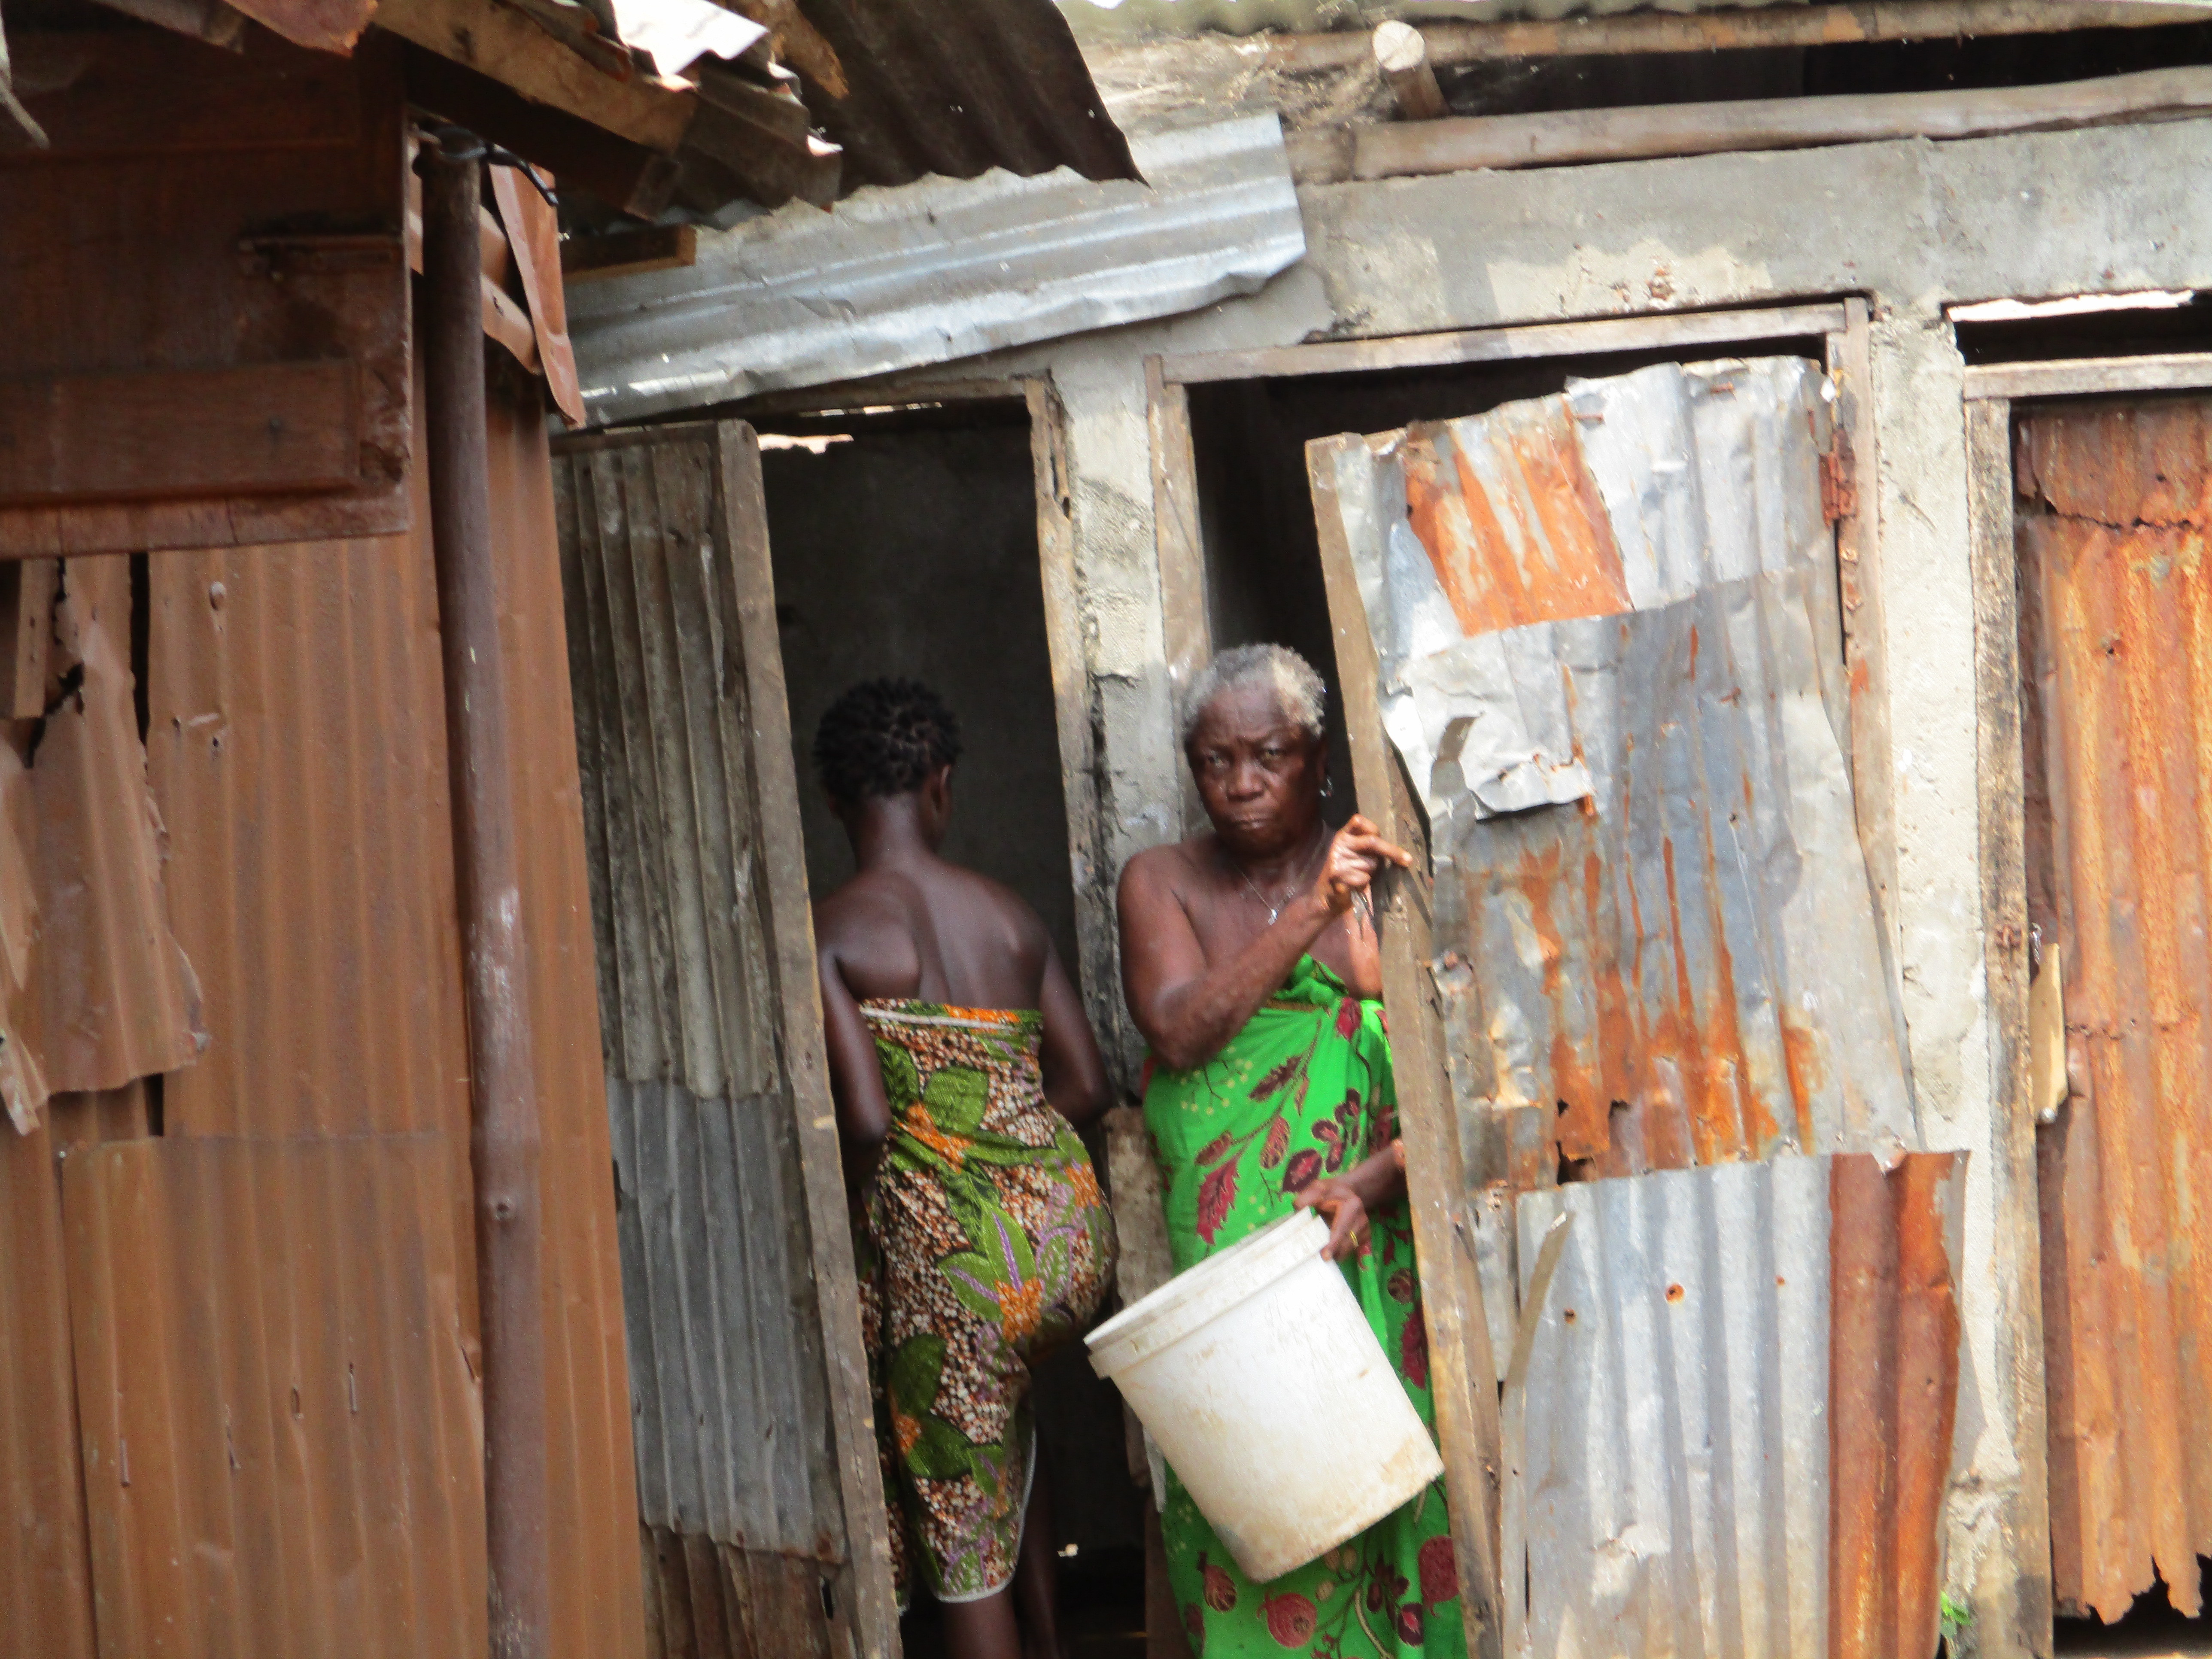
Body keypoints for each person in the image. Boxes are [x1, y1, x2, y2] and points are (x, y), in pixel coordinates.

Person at [1117, 644, 1463, 1659]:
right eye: (1214, 761)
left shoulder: (1383, 882)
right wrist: (1310, 907)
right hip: (1237, 1267)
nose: (1240, 784)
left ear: (1318, 758)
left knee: (1388, 1471)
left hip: (1372, 1242)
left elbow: (1442, 1085)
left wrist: (1374, 1176)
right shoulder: (1164, 884)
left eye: (1267, 755)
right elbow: (1179, 1033)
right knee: (1255, 1471)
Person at [812, 677, 1118, 1659]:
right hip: (1067, 1245)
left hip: (961, 1277)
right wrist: (1005, 1155)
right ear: (941, 786)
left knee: (957, 1516)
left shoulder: (834, 931)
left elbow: (861, 1118)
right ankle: (1049, 1640)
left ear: (833, 804)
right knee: (1004, 1437)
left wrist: (913, 1194)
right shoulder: (1007, 915)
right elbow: (1088, 1082)